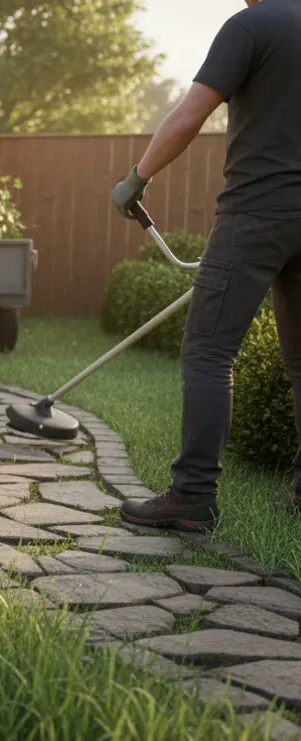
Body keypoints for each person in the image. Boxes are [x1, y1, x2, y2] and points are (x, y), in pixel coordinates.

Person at [110, 0, 301, 533]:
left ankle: (193, 495)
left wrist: (136, 179)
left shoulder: (250, 27)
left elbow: (190, 114)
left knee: (210, 352)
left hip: (256, 213)